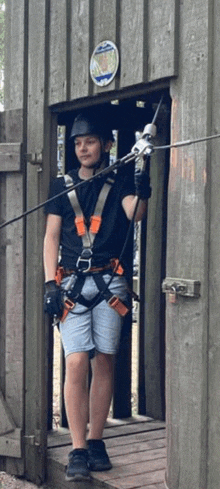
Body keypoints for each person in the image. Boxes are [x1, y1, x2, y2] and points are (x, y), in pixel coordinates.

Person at [43, 111, 151, 481]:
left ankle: (96, 439)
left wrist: (141, 180)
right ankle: (77, 449)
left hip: (110, 284)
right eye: (77, 143)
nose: (82, 148)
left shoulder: (120, 182)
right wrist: (49, 284)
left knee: (104, 361)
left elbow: (136, 214)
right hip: (72, 285)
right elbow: (52, 237)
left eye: (89, 141)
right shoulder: (62, 185)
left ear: (106, 145)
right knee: (75, 362)